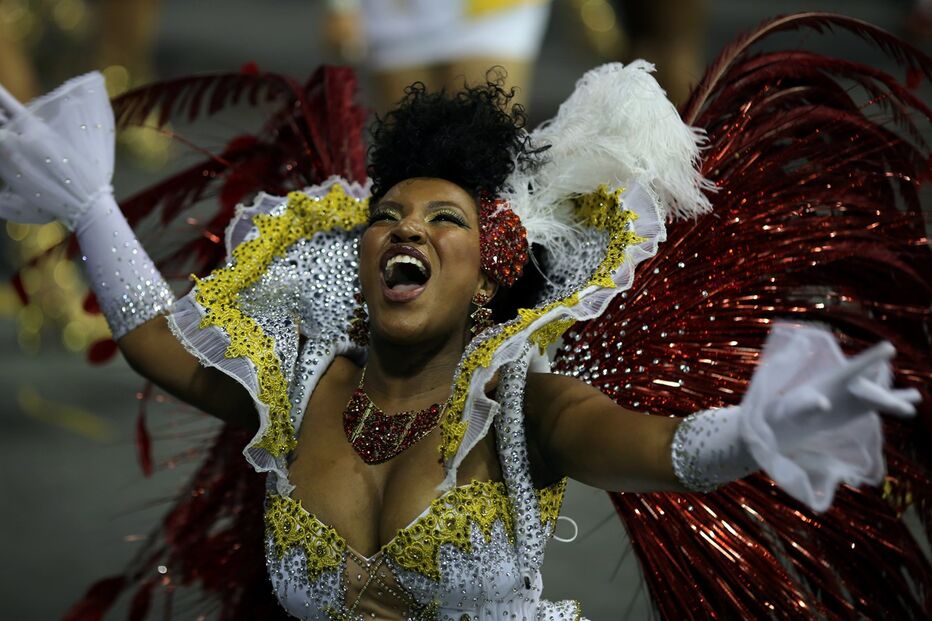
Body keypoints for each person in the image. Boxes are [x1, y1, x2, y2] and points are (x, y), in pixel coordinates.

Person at [1, 13, 930, 620]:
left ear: (484, 281)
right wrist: (87, 200)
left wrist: (760, 431)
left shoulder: (524, 404)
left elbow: (659, 449)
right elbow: (157, 342)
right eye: (389, 217)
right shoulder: (292, 388)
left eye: (442, 219)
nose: (407, 229)